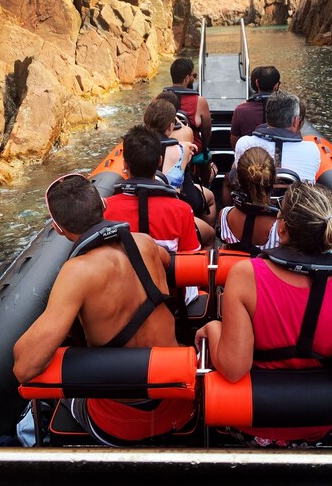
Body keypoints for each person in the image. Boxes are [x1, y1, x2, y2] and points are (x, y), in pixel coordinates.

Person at [195, 181, 332, 446]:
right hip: (320, 422)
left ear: (282, 228)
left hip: (252, 419)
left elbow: (233, 369)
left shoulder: (245, 275)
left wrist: (213, 329)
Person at [13, 174, 194, 444]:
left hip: (119, 420)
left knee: (47, 398)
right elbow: (167, 260)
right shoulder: (144, 242)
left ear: (58, 228)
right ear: (104, 205)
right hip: (177, 401)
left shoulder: (77, 272)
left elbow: (24, 368)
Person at [104, 125, 215, 251]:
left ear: (125, 164)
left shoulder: (105, 209)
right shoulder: (182, 211)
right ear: (160, 161)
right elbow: (189, 259)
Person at [143, 99, 216, 227]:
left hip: (145, 198)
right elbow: (181, 181)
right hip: (174, 201)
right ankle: (203, 236)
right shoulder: (182, 149)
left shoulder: (137, 146)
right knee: (209, 198)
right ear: (171, 126)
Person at [234, 90, 320, 181]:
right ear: (296, 121)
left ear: (267, 118)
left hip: (256, 194)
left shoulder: (244, 143)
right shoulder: (312, 150)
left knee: (232, 174)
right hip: (296, 194)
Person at [165, 58, 216, 186]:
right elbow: (206, 132)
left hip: (165, 148)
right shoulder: (199, 101)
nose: (194, 78)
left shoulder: (160, 98)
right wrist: (205, 147)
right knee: (207, 157)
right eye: (194, 75)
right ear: (187, 78)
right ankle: (205, 184)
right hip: (194, 151)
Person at [218, 147, 279, 254]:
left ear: (239, 180)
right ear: (273, 179)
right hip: (266, 269)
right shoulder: (281, 227)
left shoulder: (224, 215)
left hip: (236, 268)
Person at [230, 66, 281, 147]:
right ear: (276, 86)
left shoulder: (241, 110)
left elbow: (235, 141)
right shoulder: (287, 109)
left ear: (257, 83)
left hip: (251, 156)